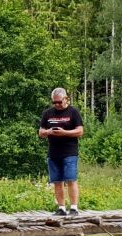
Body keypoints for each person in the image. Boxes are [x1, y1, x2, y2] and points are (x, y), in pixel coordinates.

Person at [38, 87, 85, 216]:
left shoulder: (73, 112)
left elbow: (80, 131)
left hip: (69, 152)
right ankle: (61, 208)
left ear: (66, 99)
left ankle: (74, 208)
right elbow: (41, 132)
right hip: (53, 153)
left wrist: (64, 133)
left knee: (71, 179)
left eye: (59, 102)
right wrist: (49, 132)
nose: (57, 105)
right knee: (57, 181)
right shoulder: (47, 113)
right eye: (55, 102)